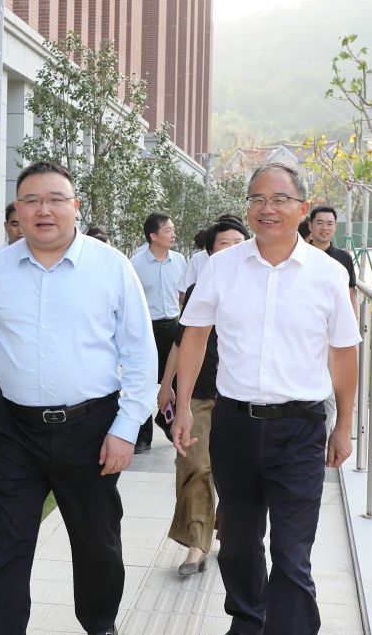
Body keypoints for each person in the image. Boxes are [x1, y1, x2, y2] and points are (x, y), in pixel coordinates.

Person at [0, 161, 157, 635]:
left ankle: (100, 625)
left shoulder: (111, 266)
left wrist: (126, 429)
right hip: (16, 431)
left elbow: (140, 354)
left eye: (55, 200)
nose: (43, 210)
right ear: (18, 210)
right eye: (31, 201)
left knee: (97, 546)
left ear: (75, 206)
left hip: (91, 430)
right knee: (7, 549)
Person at [173, 162, 360, 635]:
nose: (266, 208)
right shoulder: (222, 267)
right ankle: (247, 621)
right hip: (234, 425)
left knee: (292, 552)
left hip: (300, 429)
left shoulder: (328, 274)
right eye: (257, 199)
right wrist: (182, 406)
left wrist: (343, 426)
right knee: (238, 543)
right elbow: (195, 336)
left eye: (278, 199)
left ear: (302, 208)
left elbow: (344, 353)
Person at [157, 216, 249, 576]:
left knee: (237, 471)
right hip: (199, 393)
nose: (232, 249)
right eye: (224, 244)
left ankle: (230, 532)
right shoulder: (200, 289)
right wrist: (167, 385)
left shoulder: (263, 288)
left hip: (242, 397)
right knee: (195, 465)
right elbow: (182, 342)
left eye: (238, 242)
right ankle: (196, 543)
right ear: (209, 253)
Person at [130, 211, 186, 454]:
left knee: (175, 381)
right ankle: (143, 437)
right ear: (153, 236)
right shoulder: (136, 264)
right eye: (168, 230)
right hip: (147, 329)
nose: (173, 234)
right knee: (144, 382)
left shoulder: (179, 260)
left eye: (173, 229)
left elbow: (183, 295)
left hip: (173, 327)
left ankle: (172, 425)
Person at [308, 206, 357, 313]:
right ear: (310, 226)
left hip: (335, 317)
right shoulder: (300, 255)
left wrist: (355, 320)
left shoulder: (344, 258)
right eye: (319, 223)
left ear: (335, 227)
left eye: (330, 223)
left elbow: (350, 293)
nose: (325, 228)